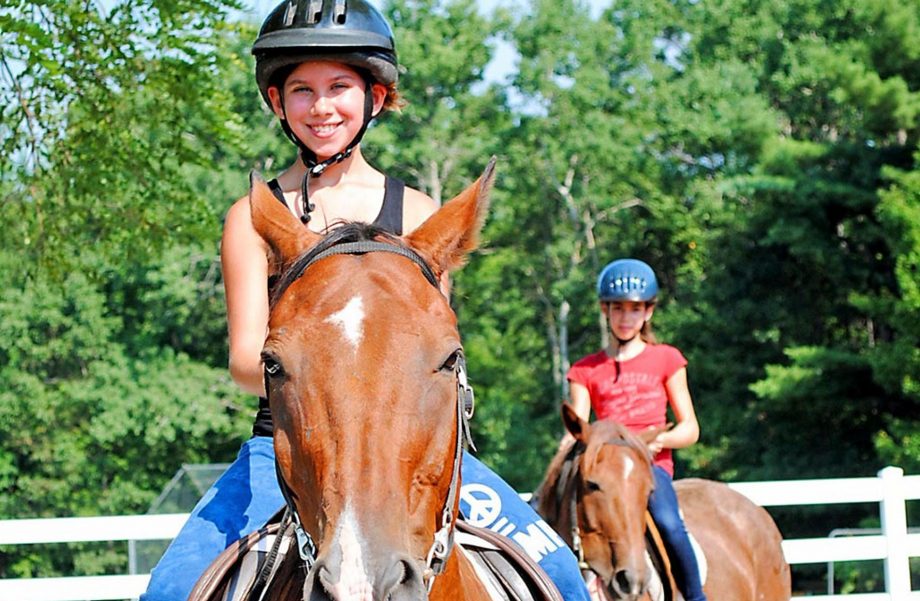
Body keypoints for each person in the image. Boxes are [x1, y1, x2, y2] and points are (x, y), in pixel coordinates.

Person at [141, 1, 590, 599]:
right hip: (290, 448)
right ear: (277, 102)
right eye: (301, 89)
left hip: (411, 451)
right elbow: (246, 360)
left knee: (559, 571)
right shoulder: (250, 219)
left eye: (339, 87)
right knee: (169, 590)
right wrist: (329, 375)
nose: (320, 106)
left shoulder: (420, 215)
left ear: (375, 97)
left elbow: (435, 356)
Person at [564, 258, 707, 601]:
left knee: (670, 526)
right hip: (603, 467)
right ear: (605, 311)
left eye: (635, 309)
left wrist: (657, 441)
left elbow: (689, 428)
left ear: (648, 312)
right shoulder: (585, 370)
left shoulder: (667, 359)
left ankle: (696, 596)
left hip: (649, 468)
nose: (626, 318)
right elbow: (576, 428)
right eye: (618, 309)